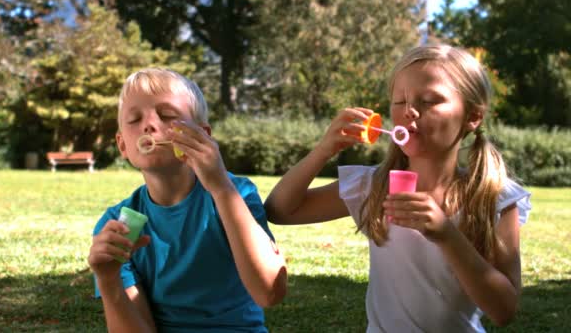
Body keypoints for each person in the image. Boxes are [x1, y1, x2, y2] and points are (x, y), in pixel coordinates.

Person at [265, 44, 531, 332]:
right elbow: (280, 210)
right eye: (399, 102)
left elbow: (504, 310)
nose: (410, 112)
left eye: (429, 100)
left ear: (472, 116)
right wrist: (322, 151)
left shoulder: (495, 197)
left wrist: (446, 234)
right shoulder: (372, 187)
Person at [88, 67, 287, 332]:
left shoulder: (235, 193)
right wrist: (109, 280)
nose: (149, 124)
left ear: (202, 135)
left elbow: (270, 293)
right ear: (123, 145)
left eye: (167, 115)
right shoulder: (120, 223)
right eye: (134, 119)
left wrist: (220, 188)